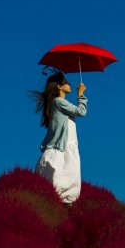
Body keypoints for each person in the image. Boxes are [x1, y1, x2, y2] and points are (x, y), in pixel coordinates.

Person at [31, 72, 87, 203]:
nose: (69, 83)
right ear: (59, 87)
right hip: (63, 148)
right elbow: (81, 111)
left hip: (64, 147)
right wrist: (81, 95)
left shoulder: (57, 103)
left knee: (61, 186)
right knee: (64, 185)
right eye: (65, 81)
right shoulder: (59, 102)